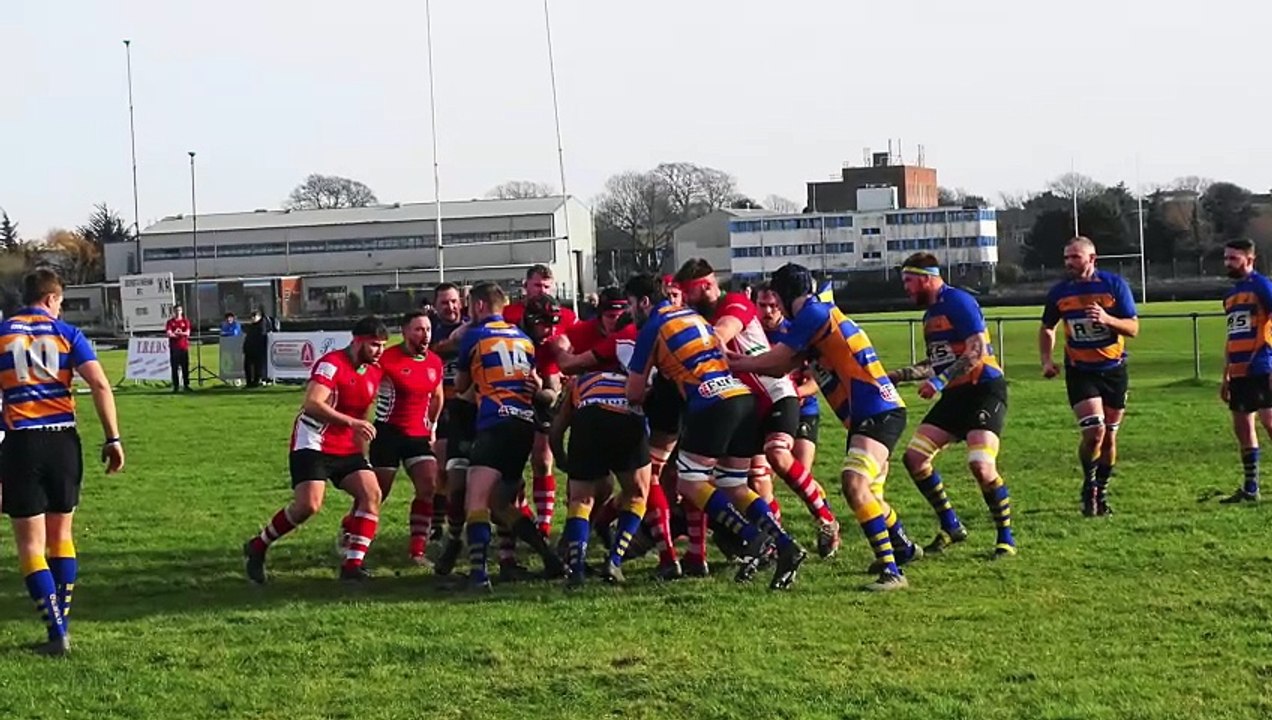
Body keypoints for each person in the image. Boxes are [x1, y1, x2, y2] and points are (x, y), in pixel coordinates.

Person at [729, 263, 915, 591]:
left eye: (777, 299)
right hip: (873, 412)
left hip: (878, 410)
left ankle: (892, 571)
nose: (776, 307)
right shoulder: (816, 315)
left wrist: (731, 361)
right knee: (869, 494)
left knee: (854, 483)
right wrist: (741, 363)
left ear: (786, 296)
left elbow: (777, 361)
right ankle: (902, 546)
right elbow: (782, 367)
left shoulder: (812, 315)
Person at [625, 273, 806, 590]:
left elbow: (634, 392)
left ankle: (752, 538)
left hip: (711, 401)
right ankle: (785, 544)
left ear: (644, 302)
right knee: (732, 483)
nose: (630, 312)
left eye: (630, 304)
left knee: (689, 482)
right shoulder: (692, 316)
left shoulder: (653, 326)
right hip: (741, 396)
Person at [0, 269, 124, 656]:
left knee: (31, 545)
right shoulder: (67, 333)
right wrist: (113, 438)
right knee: (61, 538)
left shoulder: (3, 333)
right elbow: (99, 384)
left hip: (22, 442)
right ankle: (61, 629)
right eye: (61, 301)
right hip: (62, 441)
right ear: (52, 298)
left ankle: (56, 633)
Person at [676, 259, 826, 565]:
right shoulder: (701, 314)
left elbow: (721, 332)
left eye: (687, 293)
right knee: (740, 481)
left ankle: (826, 520)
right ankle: (776, 543)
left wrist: (676, 340)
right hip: (746, 405)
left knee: (776, 456)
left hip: (777, 395)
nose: (684, 300)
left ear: (705, 286)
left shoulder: (734, 303)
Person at [888, 253, 1016, 560]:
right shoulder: (929, 316)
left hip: (983, 390)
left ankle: (1005, 537)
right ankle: (951, 525)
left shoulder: (958, 301)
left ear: (927, 278)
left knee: (981, 465)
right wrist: (899, 375)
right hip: (955, 395)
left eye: (909, 280)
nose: (906, 288)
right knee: (914, 458)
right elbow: (937, 362)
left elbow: (976, 350)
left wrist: (939, 382)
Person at [242, 316, 389, 584]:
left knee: (372, 493)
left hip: (345, 444)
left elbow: (361, 414)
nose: (379, 351)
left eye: (382, 345)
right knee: (308, 505)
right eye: (374, 345)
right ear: (357, 342)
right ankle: (258, 545)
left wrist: (360, 449)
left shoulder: (374, 371)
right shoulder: (332, 364)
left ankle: (352, 567)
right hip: (313, 440)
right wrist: (352, 423)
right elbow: (311, 403)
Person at [455, 282, 564, 591]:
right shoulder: (524, 339)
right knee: (501, 503)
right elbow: (533, 382)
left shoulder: (475, 335)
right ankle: (549, 556)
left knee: (476, 500)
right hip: (524, 425)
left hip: (495, 421)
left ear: (478, 306)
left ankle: (478, 574)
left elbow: (461, 385)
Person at [1039, 237, 1140, 516]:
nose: (1069, 262)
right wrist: (1046, 360)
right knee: (1094, 432)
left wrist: (1107, 319)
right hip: (1080, 370)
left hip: (1114, 369)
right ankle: (1089, 484)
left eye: (1075, 257)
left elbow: (1133, 328)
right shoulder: (1060, 292)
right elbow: (1047, 327)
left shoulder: (1114, 286)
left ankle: (1101, 491)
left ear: (1092, 259)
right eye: (1066, 257)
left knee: (1109, 437)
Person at [549, 320, 652, 587]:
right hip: (625, 417)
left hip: (588, 419)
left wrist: (561, 458)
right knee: (637, 494)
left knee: (581, 500)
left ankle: (577, 569)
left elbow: (557, 428)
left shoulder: (580, 381)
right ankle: (614, 561)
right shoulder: (638, 377)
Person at [755, 284, 839, 557]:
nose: (768, 311)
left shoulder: (796, 330)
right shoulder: (751, 332)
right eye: (762, 305)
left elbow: (817, 379)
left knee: (799, 474)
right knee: (761, 478)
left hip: (803, 410)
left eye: (773, 305)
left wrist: (794, 394)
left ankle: (826, 523)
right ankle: (774, 539)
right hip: (767, 410)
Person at [362, 311, 445, 563]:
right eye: (418, 329)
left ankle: (417, 550)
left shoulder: (434, 361)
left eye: (428, 329)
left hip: (418, 435)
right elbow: (366, 390)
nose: (425, 335)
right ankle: (350, 530)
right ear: (405, 331)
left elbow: (438, 396)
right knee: (378, 493)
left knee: (428, 486)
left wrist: (432, 425)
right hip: (388, 432)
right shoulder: (386, 359)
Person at [502, 264, 578, 538]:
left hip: (548, 388)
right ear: (526, 286)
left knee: (543, 459)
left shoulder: (567, 316)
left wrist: (568, 370)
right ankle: (522, 512)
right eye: (537, 285)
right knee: (511, 461)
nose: (542, 290)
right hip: (514, 386)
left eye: (546, 286)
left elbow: (577, 347)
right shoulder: (509, 314)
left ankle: (544, 522)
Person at [1218, 239, 1272, 504]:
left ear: (1250, 259)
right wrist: (1226, 374)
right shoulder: (1230, 296)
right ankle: (1250, 489)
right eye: (1226, 258)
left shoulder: (1262, 286)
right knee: (1243, 427)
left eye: (1233, 258)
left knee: (1270, 423)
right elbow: (1232, 336)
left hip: (1262, 367)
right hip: (1238, 372)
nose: (1227, 263)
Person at [165, 304, 192, 392]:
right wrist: (177, 334)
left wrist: (178, 333)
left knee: (185, 367)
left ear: (182, 311)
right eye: (176, 310)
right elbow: (169, 333)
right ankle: (176, 386)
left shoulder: (185, 321)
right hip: (174, 348)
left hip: (183, 347)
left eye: (179, 310)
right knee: (174, 368)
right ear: (174, 311)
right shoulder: (170, 322)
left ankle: (186, 385)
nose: (178, 312)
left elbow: (187, 333)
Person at [243, 309, 270, 388]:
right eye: (251, 316)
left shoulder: (262, 325)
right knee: (247, 367)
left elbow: (261, 337)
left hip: (258, 350)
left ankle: (256, 382)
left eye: (254, 316)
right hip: (249, 350)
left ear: (259, 316)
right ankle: (249, 382)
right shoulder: (251, 326)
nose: (252, 318)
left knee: (257, 367)